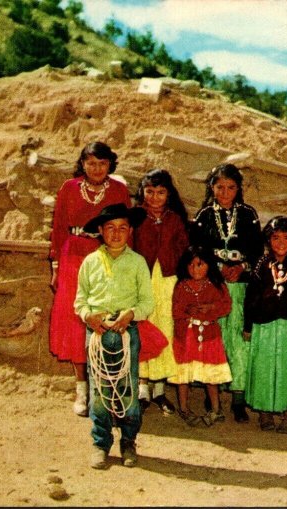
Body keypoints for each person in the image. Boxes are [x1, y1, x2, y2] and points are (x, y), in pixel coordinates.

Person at [49, 141, 132, 417]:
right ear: (82, 164)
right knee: (77, 321)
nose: (97, 169)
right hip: (74, 255)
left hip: (106, 254)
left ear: (110, 165)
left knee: (105, 315)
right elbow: (59, 228)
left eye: (102, 163)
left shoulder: (119, 190)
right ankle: (81, 388)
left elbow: (126, 230)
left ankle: (104, 387)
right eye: (91, 163)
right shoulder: (69, 188)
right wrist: (56, 267)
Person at [74, 203, 153, 469]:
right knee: (99, 391)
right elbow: (80, 301)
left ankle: (128, 441)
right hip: (97, 332)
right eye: (110, 228)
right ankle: (100, 442)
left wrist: (130, 314)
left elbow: (147, 303)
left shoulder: (137, 262)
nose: (116, 234)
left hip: (125, 331)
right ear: (100, 231)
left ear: (130, 231)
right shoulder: (90, 262)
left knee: (126, 388)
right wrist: (88, 316)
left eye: (122, 228)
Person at [190, 163, 263, 423]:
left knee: (239, 344)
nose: (225, 192)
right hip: (213, 288)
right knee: (214, 340)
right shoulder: (204, 216)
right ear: (212, 187)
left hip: (240, 289)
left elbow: (257, 251)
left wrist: (241, 266)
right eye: (220, 187)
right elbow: (197, 251)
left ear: (238, 189)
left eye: (231, 187)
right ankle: (213, 398)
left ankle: (238, 400)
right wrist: (216, 269)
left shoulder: (248, 215)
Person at [243, 216, 287, 434]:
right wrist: (248, 326)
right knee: (265, 366)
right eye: (275, 238)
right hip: (264, 325)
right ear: (268, 240)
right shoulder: (262, 263)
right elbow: (251, 296)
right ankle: (265, 411)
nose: (281, 242)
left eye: (286, 237)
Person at [132, 169, 189, 415]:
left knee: (165, 327)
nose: (155, 197)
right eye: (150, 192)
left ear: (169, 194)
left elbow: (183, 248)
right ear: (143, 192)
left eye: (161, 192)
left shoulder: (175, 218)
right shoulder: (135, 216)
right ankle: (142, 386)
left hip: (167, 280)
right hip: (142, 278)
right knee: (145, 327)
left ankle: (159, 388)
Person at [169, 246, 233, 427]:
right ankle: (184, 408)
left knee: (210, 375)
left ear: (209, 265)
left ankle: (216, 409)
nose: (194, 269)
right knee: (183, 375)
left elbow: (226, 306)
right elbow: (176, 311)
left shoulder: (216, 285)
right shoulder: (181, 286)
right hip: (186, 337)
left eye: (200, 264)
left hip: (210, 337)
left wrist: (210, 308)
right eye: (190, 265)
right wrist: (188, 310)